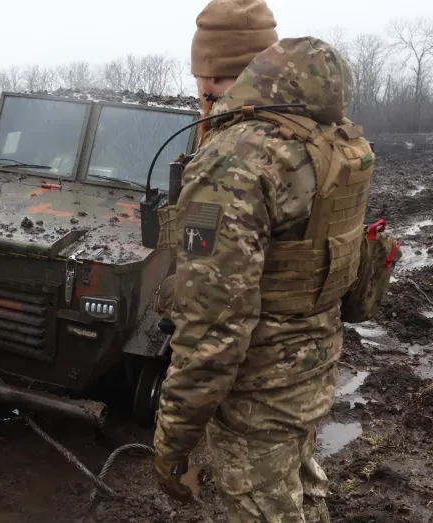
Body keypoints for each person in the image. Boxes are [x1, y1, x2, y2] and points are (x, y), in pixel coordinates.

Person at [153, 1, 370, 522]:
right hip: (310, 372)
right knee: (298, 492)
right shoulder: (327, 138)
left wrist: (172, 442)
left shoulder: (235, 159)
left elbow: (214, 326)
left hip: (258, 394)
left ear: (208, 74)